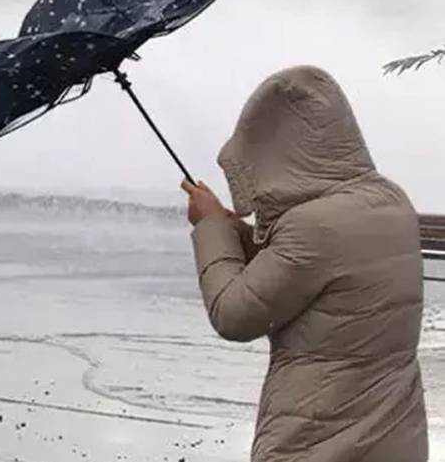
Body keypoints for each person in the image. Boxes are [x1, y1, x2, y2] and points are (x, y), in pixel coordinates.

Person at [181, 65, 427, 461]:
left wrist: (210, 227)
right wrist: (235, 231)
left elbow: (234, 315)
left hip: (318, 435)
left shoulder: (313, 225)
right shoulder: (389, 200)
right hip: (393, 434)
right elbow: (312, 274)